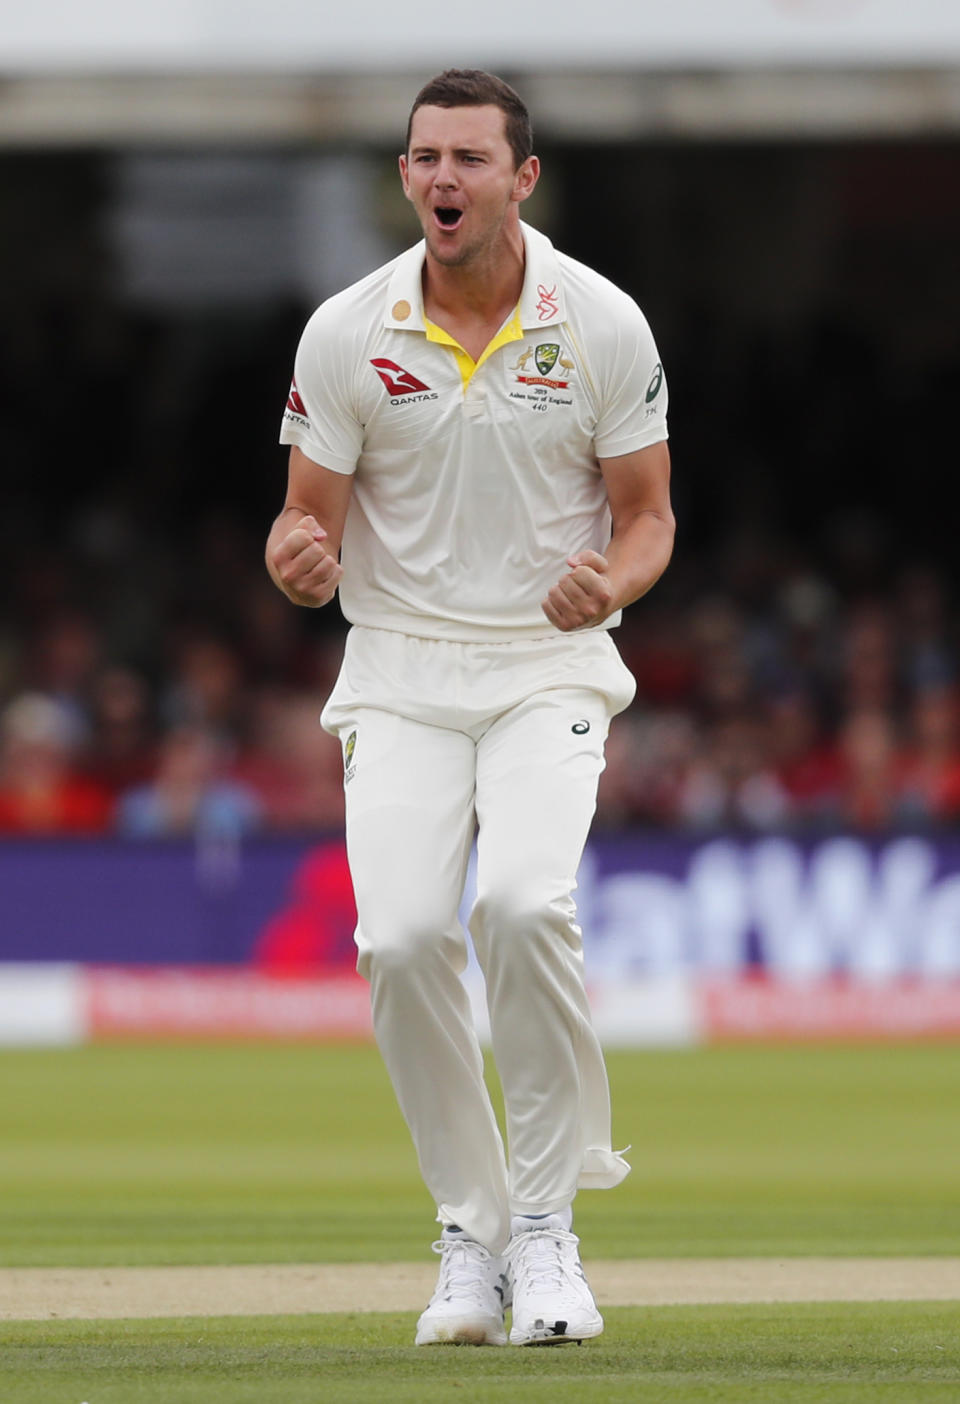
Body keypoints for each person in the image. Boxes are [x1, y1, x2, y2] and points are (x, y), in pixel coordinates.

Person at [265, 69, 674, 1346]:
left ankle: (545, 1232)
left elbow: (650, 515)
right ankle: (471, 1233)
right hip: (397, 667)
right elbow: (303, 521)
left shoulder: (601, 323)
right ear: (405, 178)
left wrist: (611, 579)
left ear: (521, 179)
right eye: (425, 158)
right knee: (395, 939)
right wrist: (293, 556)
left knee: (519, 903)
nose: (445, 179)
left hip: (547, 666)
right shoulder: (347, 330)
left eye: (470, 159)